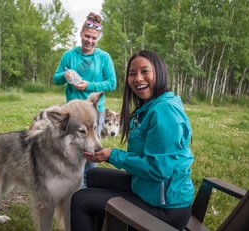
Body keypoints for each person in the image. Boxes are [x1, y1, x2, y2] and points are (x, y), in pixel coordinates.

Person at [70, 50, 195, 231]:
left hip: (165, 208)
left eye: (145, 71)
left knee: (81, 200)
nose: (138, 78)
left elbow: (158, 170)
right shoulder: (149, 106)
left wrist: (113, 155)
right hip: (149, 188)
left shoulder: (164, 111)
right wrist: (108, 156)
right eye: (132, 73)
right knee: (93, 175)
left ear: (159, 72)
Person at [53, 12, 117, 187]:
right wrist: (65, 75)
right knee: (71, 151)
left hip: (95, 113)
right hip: (72, 114)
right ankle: (73, 188)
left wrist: (88, 85)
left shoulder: (103, 58)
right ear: (81, 34)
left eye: (94, 38)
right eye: (87, 36)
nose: (89, 40)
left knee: (91, 153)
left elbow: (112, 83)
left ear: (98, 39)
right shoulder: (69, 55)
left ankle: (88, 190)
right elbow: (55, 79)